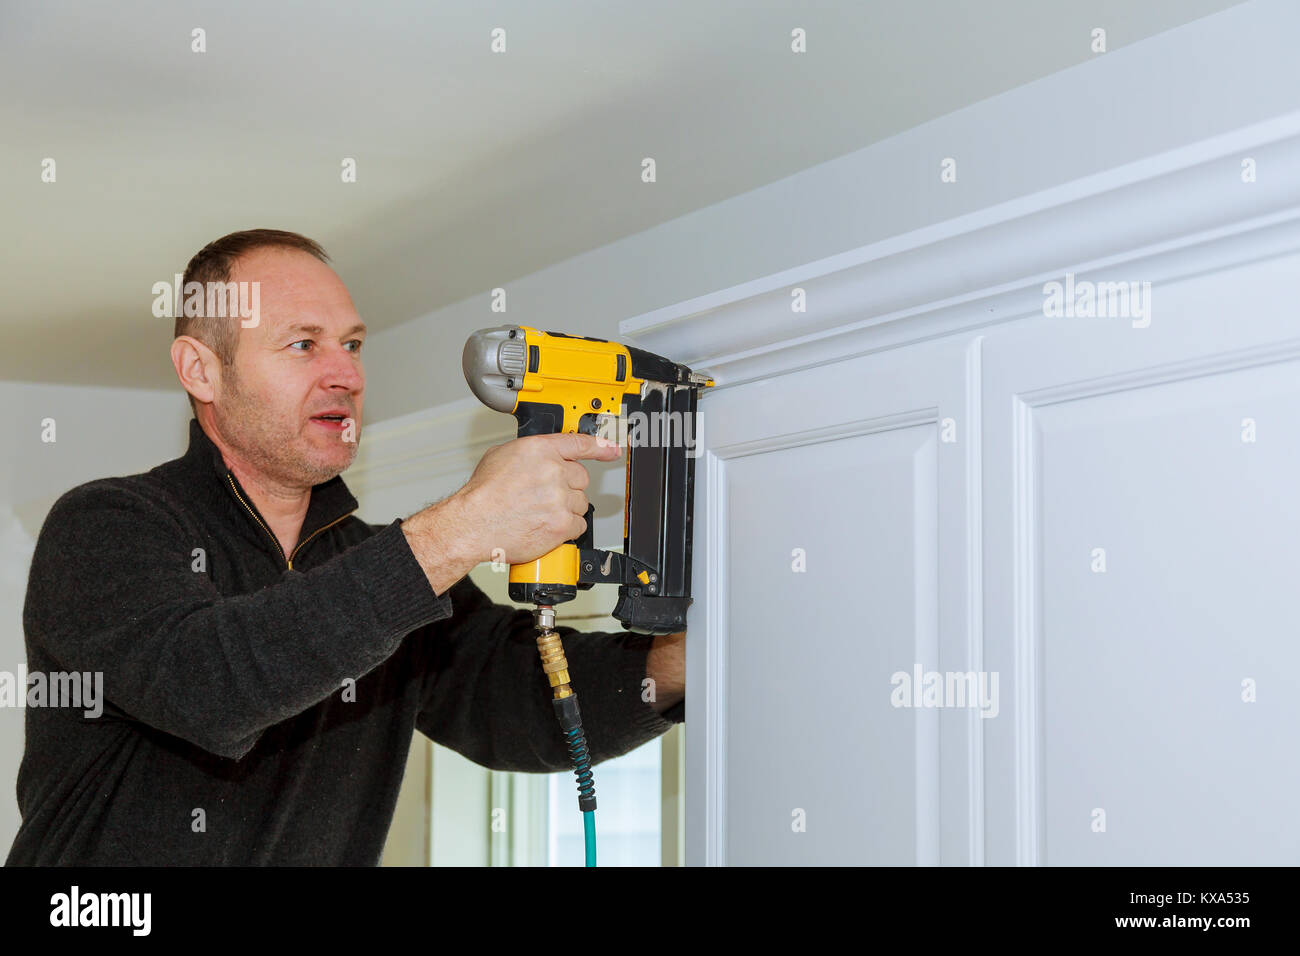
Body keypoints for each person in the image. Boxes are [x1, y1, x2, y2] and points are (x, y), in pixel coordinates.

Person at [5, 229, 684, 865]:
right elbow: (210, 687)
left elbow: (525, 704)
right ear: (202, 371)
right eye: (303, 345)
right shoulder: (108, 526)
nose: (346, 376)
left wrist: (690, 655)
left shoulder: (372, 560)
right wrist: (462, 529)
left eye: (353, 345)